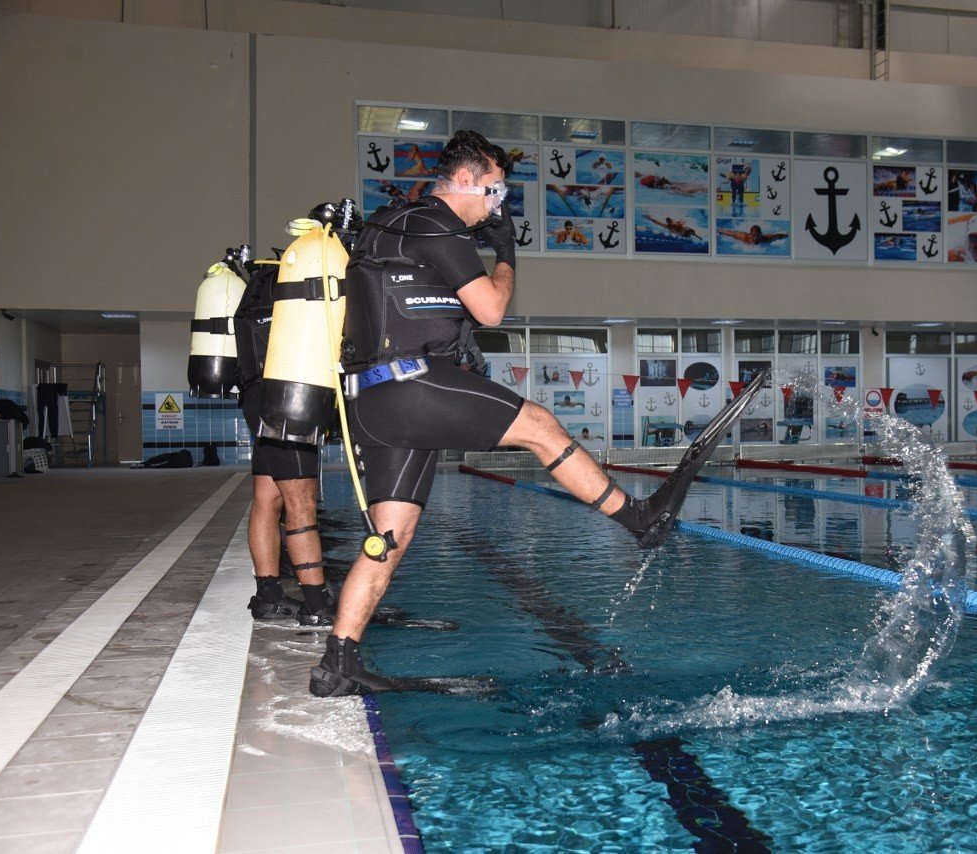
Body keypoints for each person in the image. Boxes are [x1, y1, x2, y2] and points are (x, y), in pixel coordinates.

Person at [310, 130, 742, 696]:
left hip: (373, 399)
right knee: (538, 425)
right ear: (465, 179)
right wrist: (507, 255)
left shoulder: (390, 223)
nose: (499, 200)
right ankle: (638, 520)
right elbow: (491, 309)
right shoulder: (438, 222)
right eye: (496, 188)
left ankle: (338, 662)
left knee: (390, 535)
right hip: (411, 387)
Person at [232, 255, 334, 626]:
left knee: (267, 497)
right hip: (292, 397)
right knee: (301, 503)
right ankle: (316, 604)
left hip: (257, 395)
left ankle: (268, 596)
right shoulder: (303, 294)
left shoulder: (262, 291)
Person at [718, 224, 787, 246]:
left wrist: (787, 236)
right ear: (750, 234)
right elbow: (731, 234)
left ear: (761, 234)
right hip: (741, 234)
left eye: (757, 235)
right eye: (753, 235)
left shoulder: (766, 238)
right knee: (733, 232)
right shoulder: (745, 237)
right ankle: (722, 228)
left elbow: (778, 236)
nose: (756, 237)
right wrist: (720, 231)